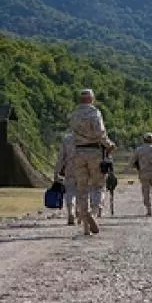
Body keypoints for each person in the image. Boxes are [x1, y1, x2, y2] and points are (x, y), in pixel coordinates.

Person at [69, 88, 115, 236]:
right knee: (98, 185)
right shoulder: (94, 113)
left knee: (82, 188)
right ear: (92, 99)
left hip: (78, 152)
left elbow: (72, 134)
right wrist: (109, 145)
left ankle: (85, 222)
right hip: (94, 152)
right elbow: (100, 133)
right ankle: (93, 214)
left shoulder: (74, 115)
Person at [129, 132, 152, 216]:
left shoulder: (139, 150)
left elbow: (132, 162)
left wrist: (137, 167)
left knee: (145, 191)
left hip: (143, 172)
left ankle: (149, 209)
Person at [54, 132, 78, 225]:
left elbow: (61, 157)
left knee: (70, 191)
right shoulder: (89, 137)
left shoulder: (67, 139)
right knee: (83, 190)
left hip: (70, 167)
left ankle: (71, 212)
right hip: (84, 167)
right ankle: (79, 212)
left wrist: (56, 171)